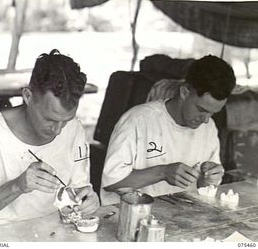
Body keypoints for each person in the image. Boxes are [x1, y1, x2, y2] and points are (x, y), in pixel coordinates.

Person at [0, 49, 99, 223]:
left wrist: (86, 200)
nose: (58, 130)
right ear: (28, 96)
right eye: (49, 119)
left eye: (66, 120)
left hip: (54, 233)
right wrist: (17, 186)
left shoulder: (74, 129)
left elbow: (78, 189)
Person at [100, 55, 236, 205]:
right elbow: (111, 183)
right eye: (201, 110)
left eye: (213, 113)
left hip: (184, 217)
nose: (205, 119)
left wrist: (208, 178)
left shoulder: (208, 128)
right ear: (184, 92)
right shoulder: (138, 120)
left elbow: (204, 188)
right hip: (135, 215)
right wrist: (163, 172)